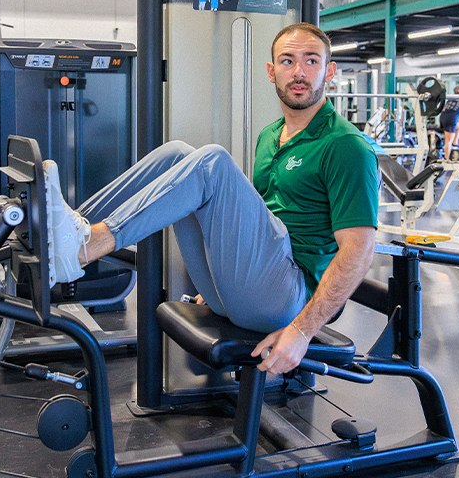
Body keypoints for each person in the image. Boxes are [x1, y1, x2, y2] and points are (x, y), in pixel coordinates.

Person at [44, 23, 380, 374]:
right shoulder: (270, 136)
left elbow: (359, 251)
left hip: (288, 298)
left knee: (212, 162)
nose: (298, 72)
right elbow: (264, 220)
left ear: (330, 71)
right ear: (271, 72)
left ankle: (86, 246)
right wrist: (227, 275)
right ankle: (61, 237)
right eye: (287, 61)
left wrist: (302, 330)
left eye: (311, 61)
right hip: (245, 291)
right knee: (176, 153)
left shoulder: (346, 146)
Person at [438, 84, 459, 161]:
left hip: (443, 118)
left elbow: (444, 109)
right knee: (448, 141)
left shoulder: (451, 98)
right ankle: (446, 158)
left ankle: (455, 143)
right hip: (451, 120)